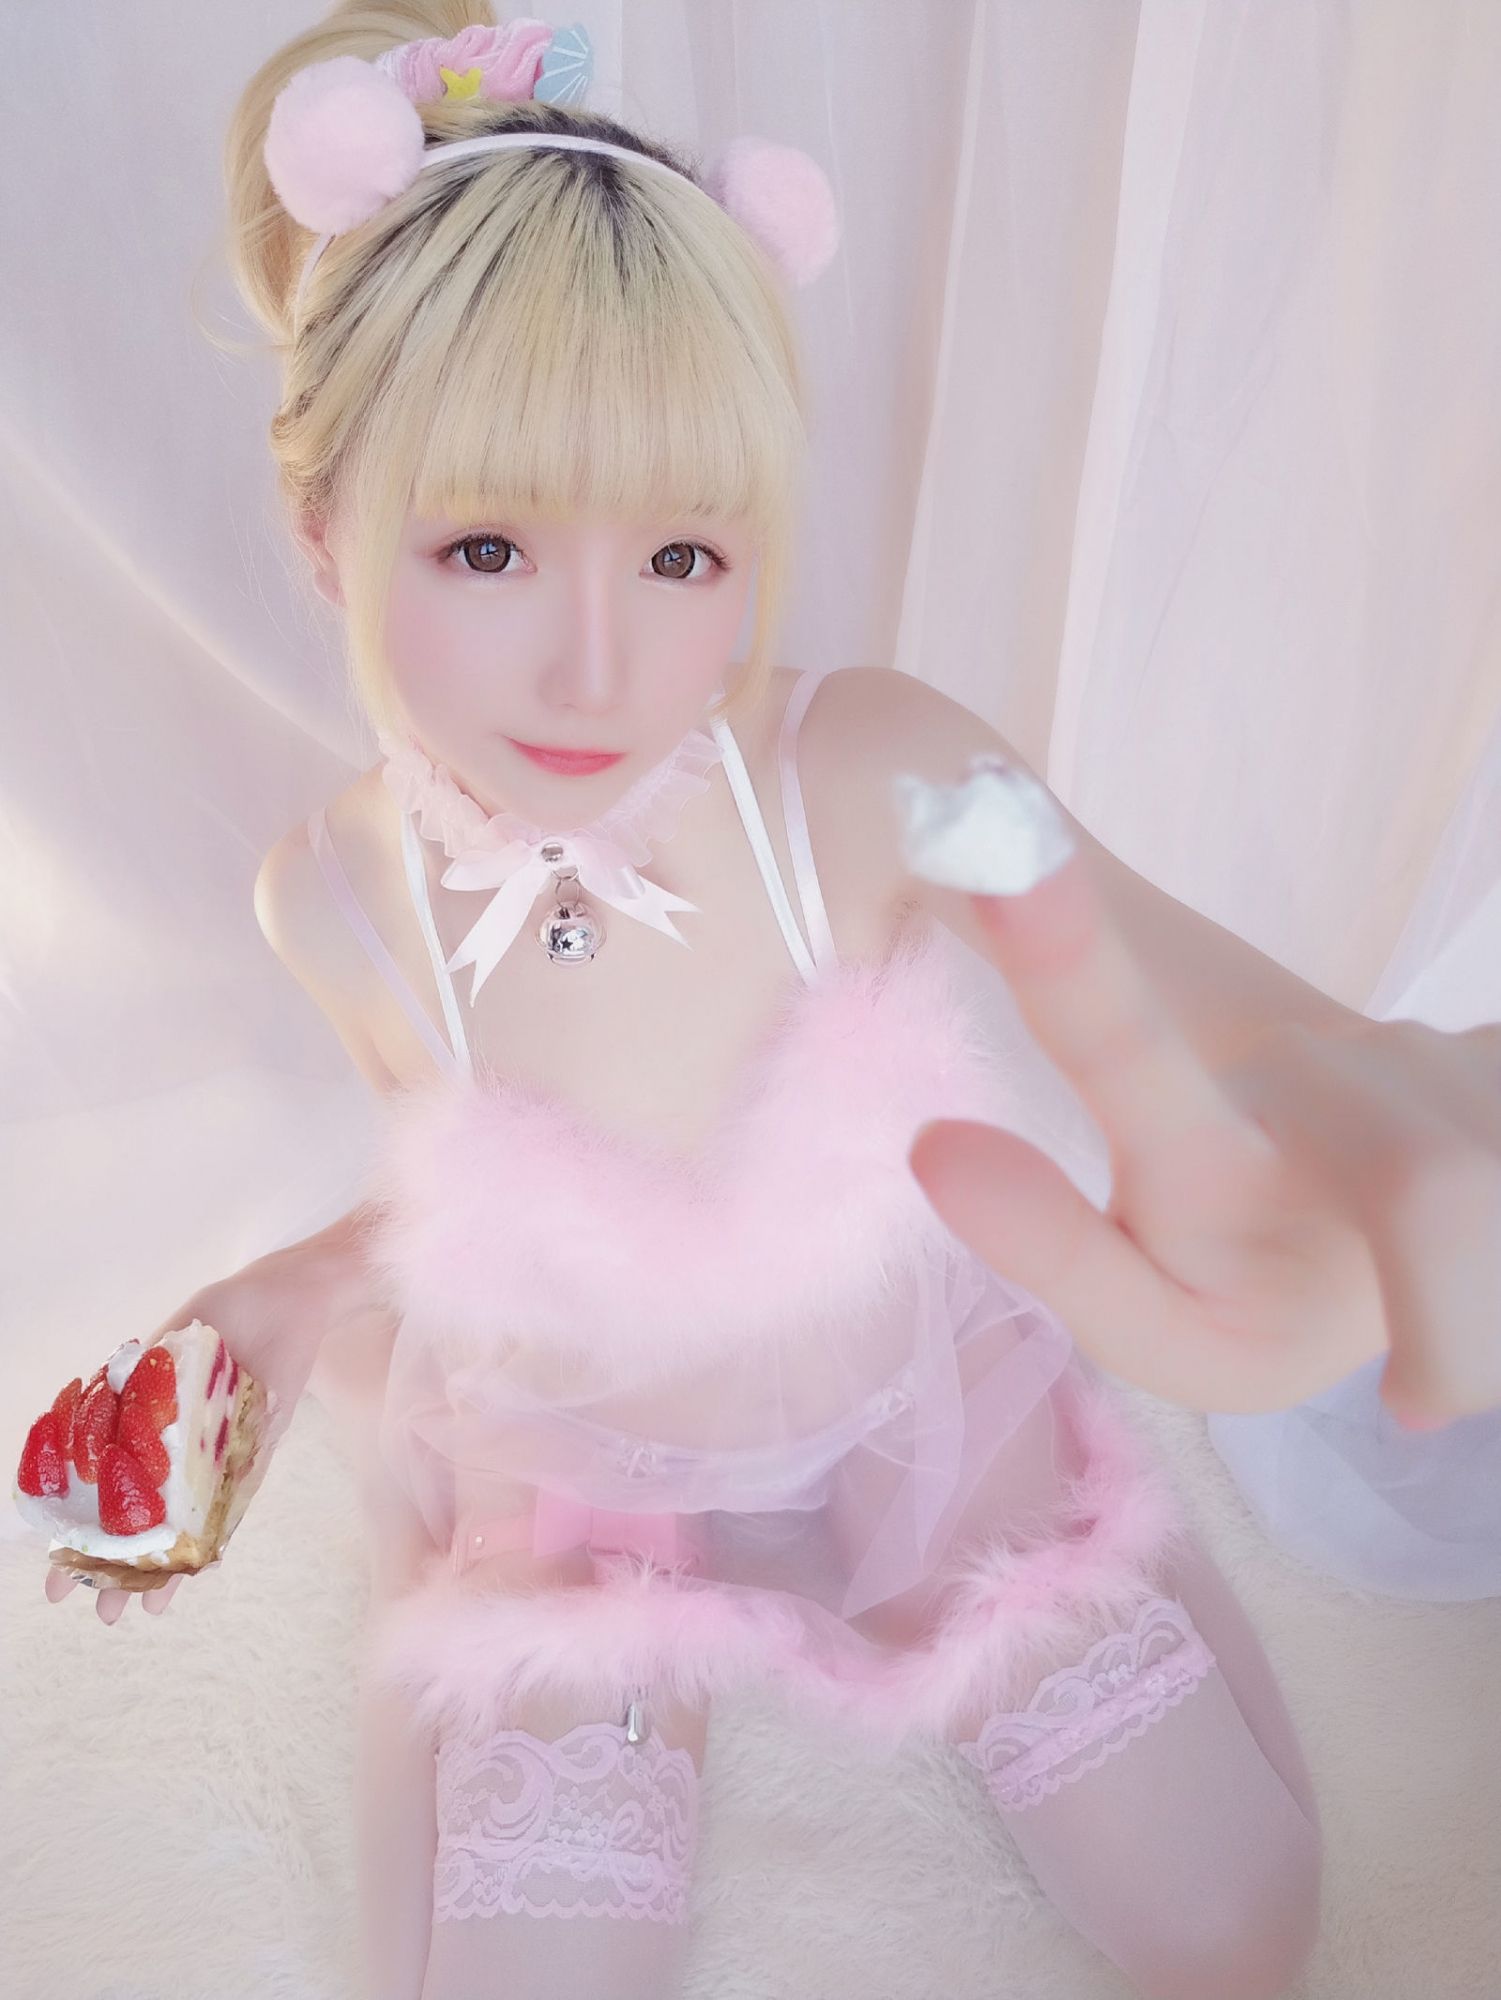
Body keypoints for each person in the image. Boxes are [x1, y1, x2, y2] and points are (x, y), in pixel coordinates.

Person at [34, 1, 1482, 1993]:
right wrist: (280, 1300)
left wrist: (1394, 1096)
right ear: (320, 533)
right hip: (577, 1446)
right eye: (486, 546)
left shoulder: (860, 769)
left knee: (1232, 1922)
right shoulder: (338, 895)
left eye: (684, 554)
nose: (598, 665)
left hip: (900, 1399)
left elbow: (1229, 1012)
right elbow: (486, 1179)